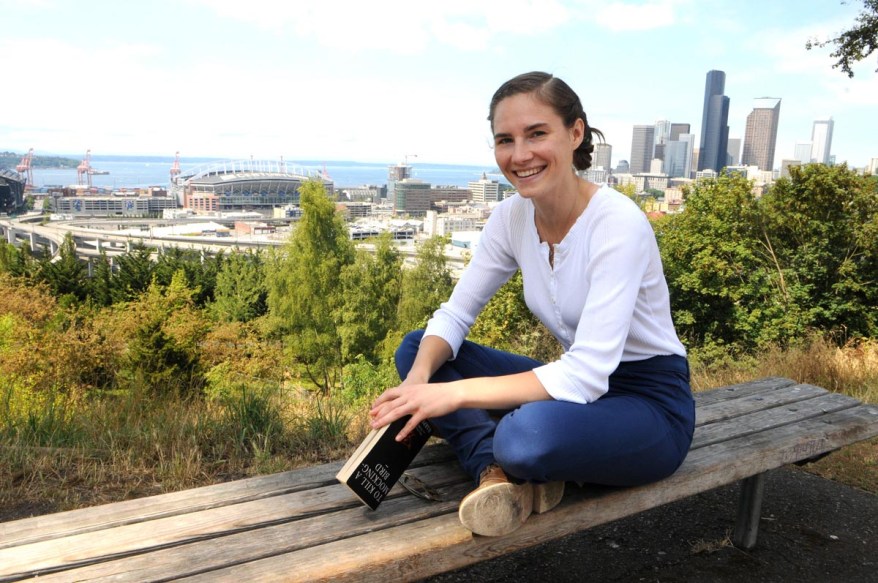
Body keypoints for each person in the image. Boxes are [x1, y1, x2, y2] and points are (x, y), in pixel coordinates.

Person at [369, 71, 695, 537]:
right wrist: (418, 385)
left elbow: (585, 372)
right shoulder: (511, 217)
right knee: (418, 348)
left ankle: (507, 459)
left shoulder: (616, 223)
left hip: (648, 405)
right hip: (578, 390)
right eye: (505, 140)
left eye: (537, 134)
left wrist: (448, 395)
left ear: (575, 133)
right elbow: (457, 314)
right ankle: (494, 473)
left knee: (526, 436)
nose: (519, 155)